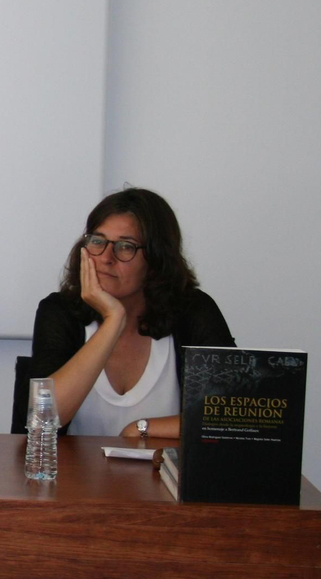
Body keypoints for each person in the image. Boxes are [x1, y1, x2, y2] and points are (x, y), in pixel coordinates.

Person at [29, 187, 233, 439]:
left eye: (126, 246)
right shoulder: (60, 311)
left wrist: (142, 428)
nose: (106, 258)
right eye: (97, 241)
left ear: (157, 260)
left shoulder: (193, 311)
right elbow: (43, 420)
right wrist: (113, 320)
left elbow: (230, 415)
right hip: (73, 467)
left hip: (162, 466)